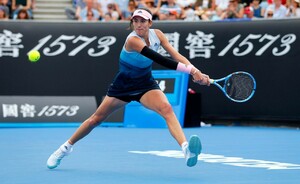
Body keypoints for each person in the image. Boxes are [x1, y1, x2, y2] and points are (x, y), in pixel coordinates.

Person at [47, 8, 210, 169]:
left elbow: (176, 56)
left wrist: (198, 72)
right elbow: (161, 60)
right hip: (123, 87)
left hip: (145, 84)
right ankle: (64, 149)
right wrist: (193, 72)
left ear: (150, 23)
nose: (139, 25)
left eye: (143, 21)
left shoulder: (158, 35)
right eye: (136, 21)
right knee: (95, 119)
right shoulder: (133, 40)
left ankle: (186, 149)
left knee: (167, 109)